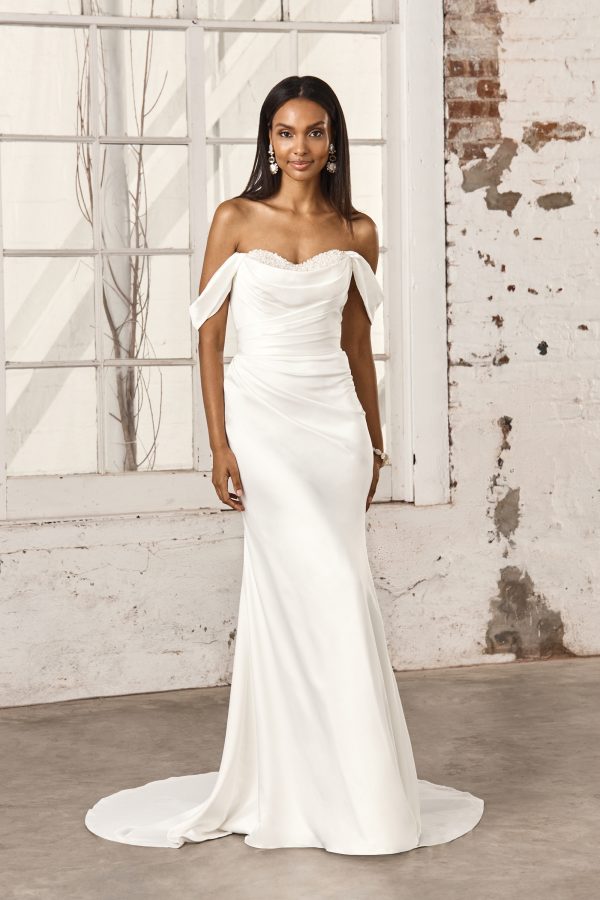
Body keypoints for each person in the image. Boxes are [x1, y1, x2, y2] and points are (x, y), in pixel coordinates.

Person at [84, 75, 484, 854]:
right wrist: (220, 441)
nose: (299, 148)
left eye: (315, 133)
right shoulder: (236, 218)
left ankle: (342, 787)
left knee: (336, 589)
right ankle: (311, 786)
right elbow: (205, 335)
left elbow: (358, 346)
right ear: (267, 141)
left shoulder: (358, 231)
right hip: (261, 419)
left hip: (331, 425)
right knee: (314, 590)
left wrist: (372, 440)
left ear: (334, 142)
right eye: (285, 133)